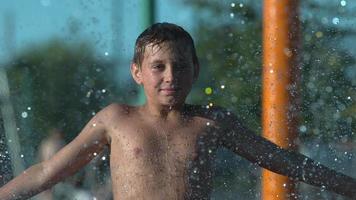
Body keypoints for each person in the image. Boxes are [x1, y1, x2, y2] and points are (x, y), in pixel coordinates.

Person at [0, 22, 355, 200]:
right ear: (136, 72)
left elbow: (282, 160)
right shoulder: (116, 119)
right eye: (158, 67)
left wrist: (346, 185)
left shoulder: (212, 122)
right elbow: (47, 171)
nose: (171, 76)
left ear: (195, 70)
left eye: (181, 66)